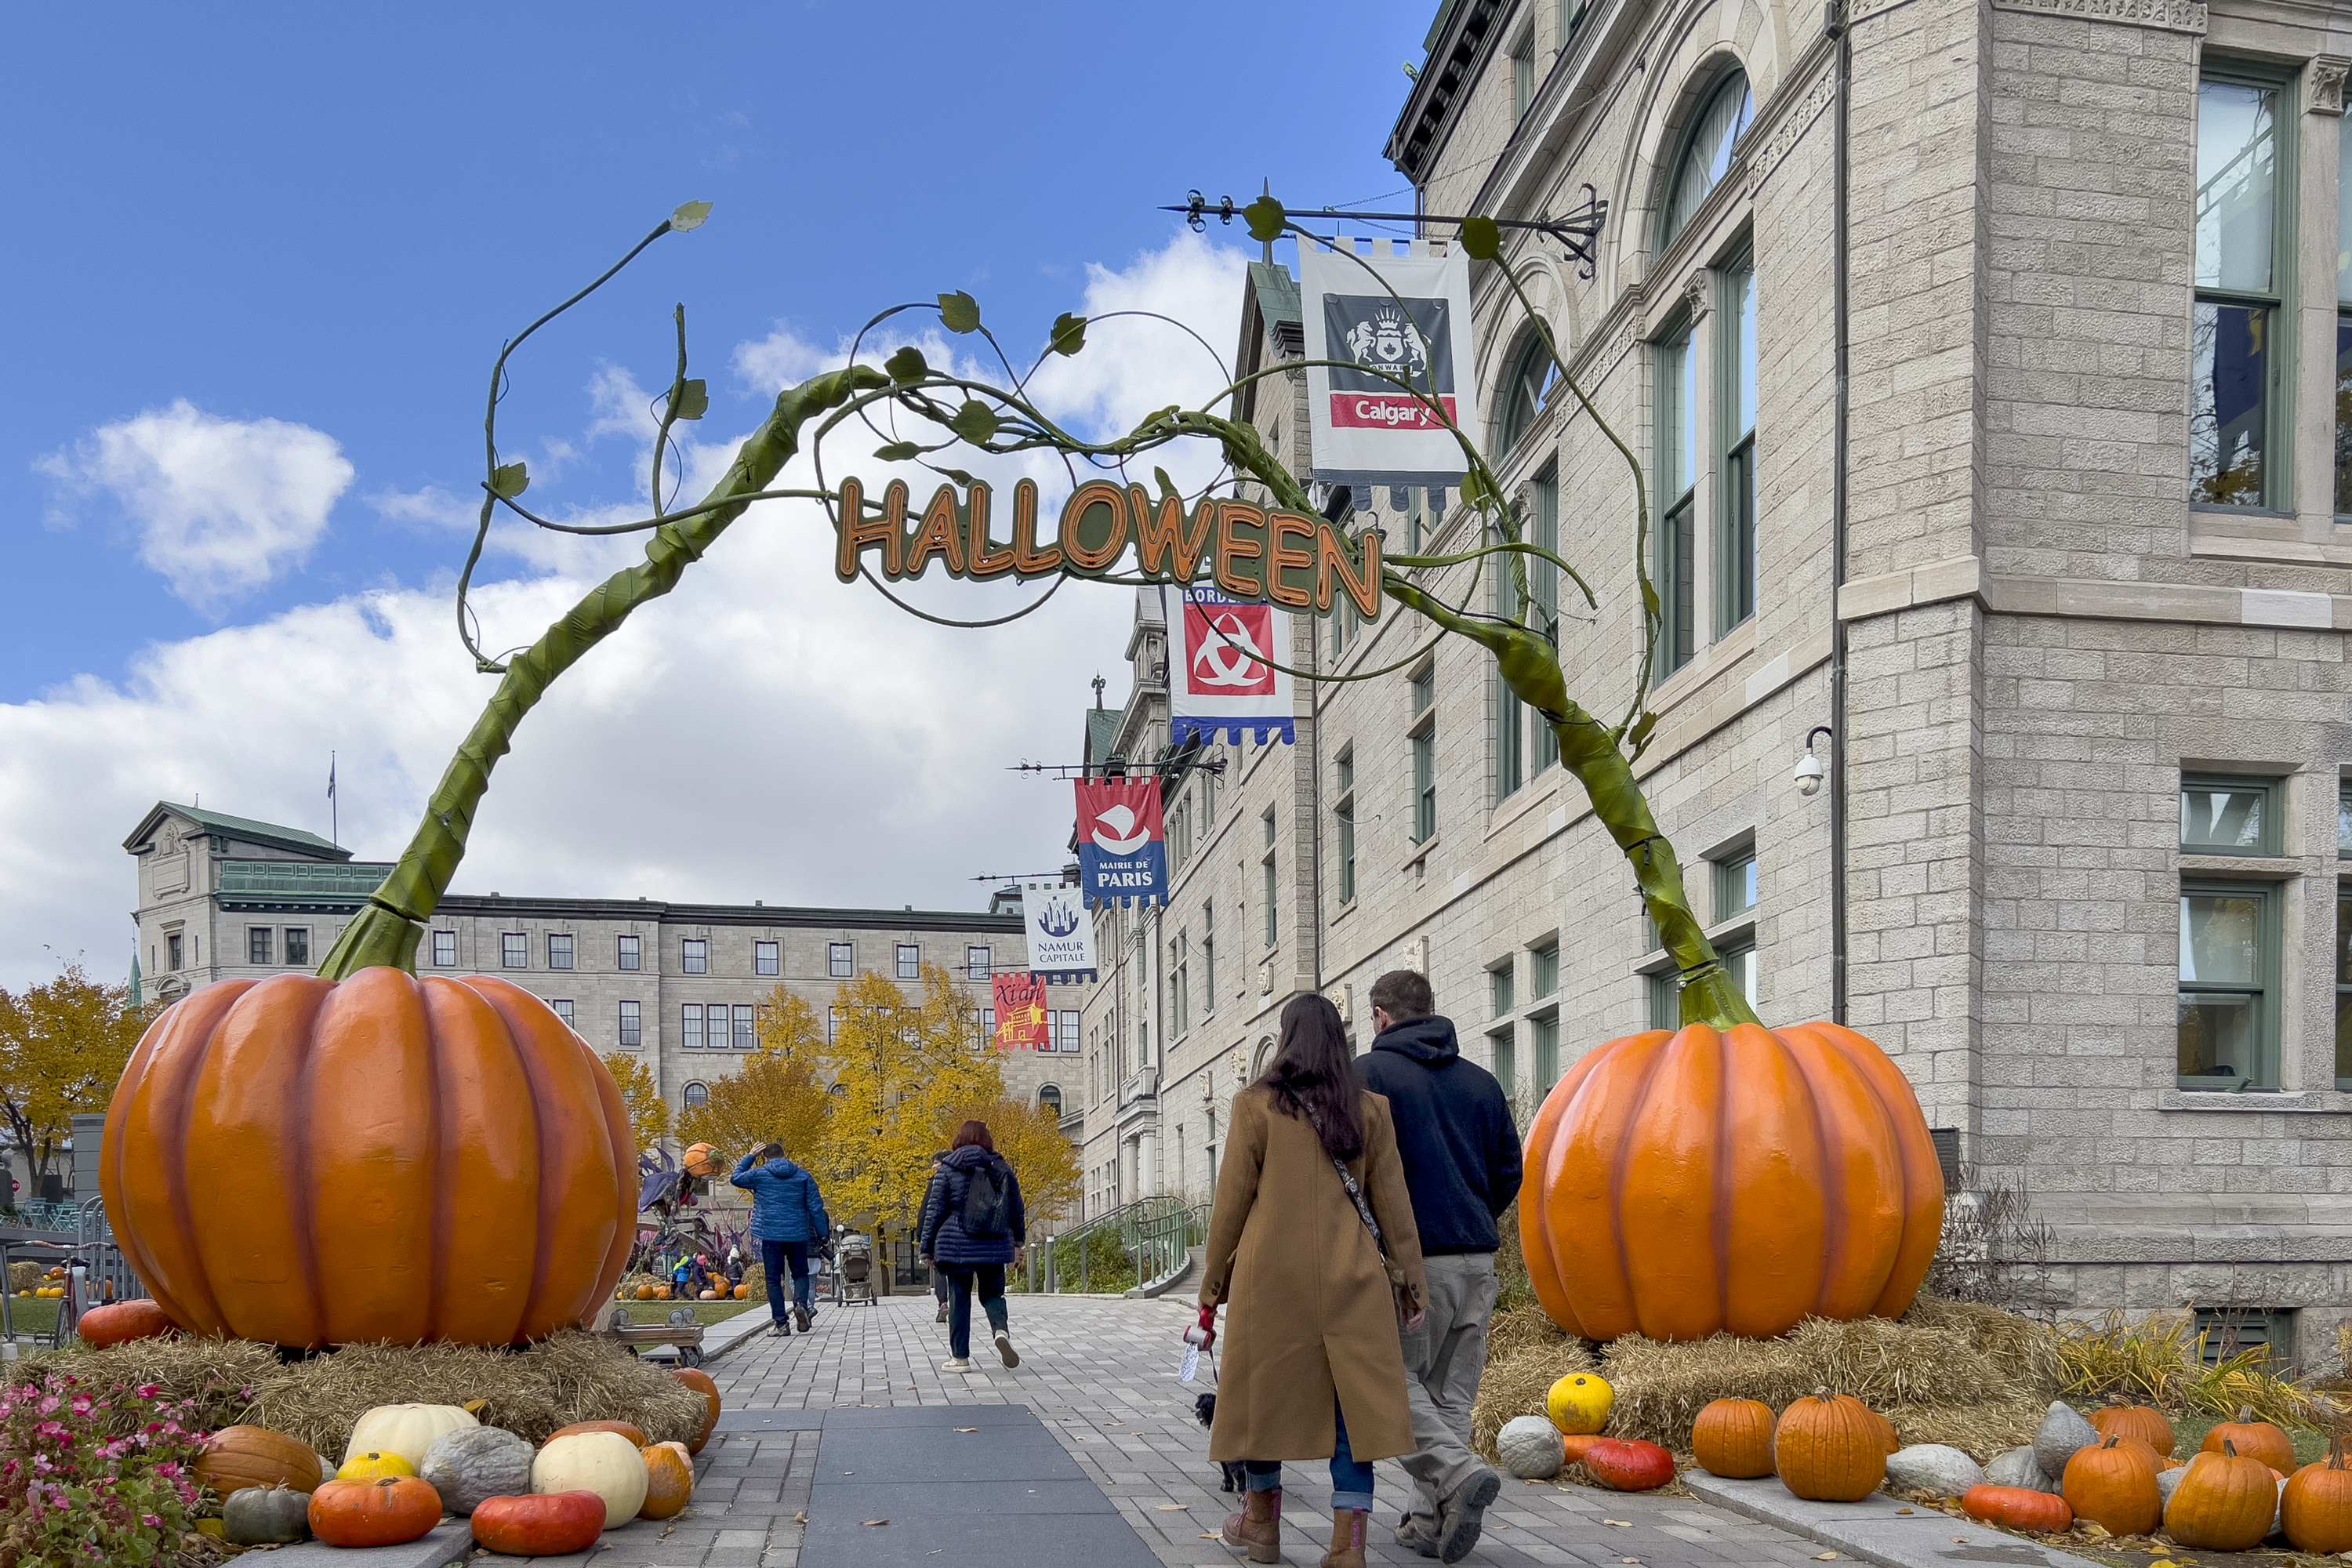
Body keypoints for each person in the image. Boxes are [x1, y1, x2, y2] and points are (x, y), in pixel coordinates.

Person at [1202, 992, 1426, 1568]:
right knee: (1353, 1411)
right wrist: (1411, 1287)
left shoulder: (1254, 1106)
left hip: (1268, 1281)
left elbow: (1230, 1206)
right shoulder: (1369, 1109)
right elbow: (1394, 1207)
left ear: (1285, 1038)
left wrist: (1210, 1293)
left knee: (1260, 1403)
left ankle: (1261, 1527)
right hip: (1353, 1279)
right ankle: (1347, 1550)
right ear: (1340, 1043)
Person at [1356, 969, 1523, 1564]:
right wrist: (1473, 1218)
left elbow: (1348, 1173)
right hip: (1477, 1259)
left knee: (1385, 1382)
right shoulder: (1481, 1083)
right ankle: (1430, 1521)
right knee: (1451, 1395)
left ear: (1380, 1016)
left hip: (1409, 1267)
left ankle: (1455, 1478)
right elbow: (1511, 1171)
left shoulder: (1368, 1077)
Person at [916, 1121, 1025, 1373]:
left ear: (959, 1140)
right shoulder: (1001, 1167)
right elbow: (1016, 1209)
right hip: (994, 1242)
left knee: (959, 1300)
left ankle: (960, 1358)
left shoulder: (947, 1169)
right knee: (993, 1295)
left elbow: (934, 1211)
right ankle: (1000, 1331)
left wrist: (927, 1248)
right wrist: (1017, 1244)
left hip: (956, 1245)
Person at [731, 1142, 830, 1336]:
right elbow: (816, 1207)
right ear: (785, 1155)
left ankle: (781, 1325)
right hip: (797, 1234)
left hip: (771, 1234)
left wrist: (750, 1156)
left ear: (765, 1158)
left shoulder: (759, 1174)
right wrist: (823, 1235)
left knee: (774, 1280)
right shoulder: (803, 1176)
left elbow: (735, 1178)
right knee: (800, 1273)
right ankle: (801, 1305)